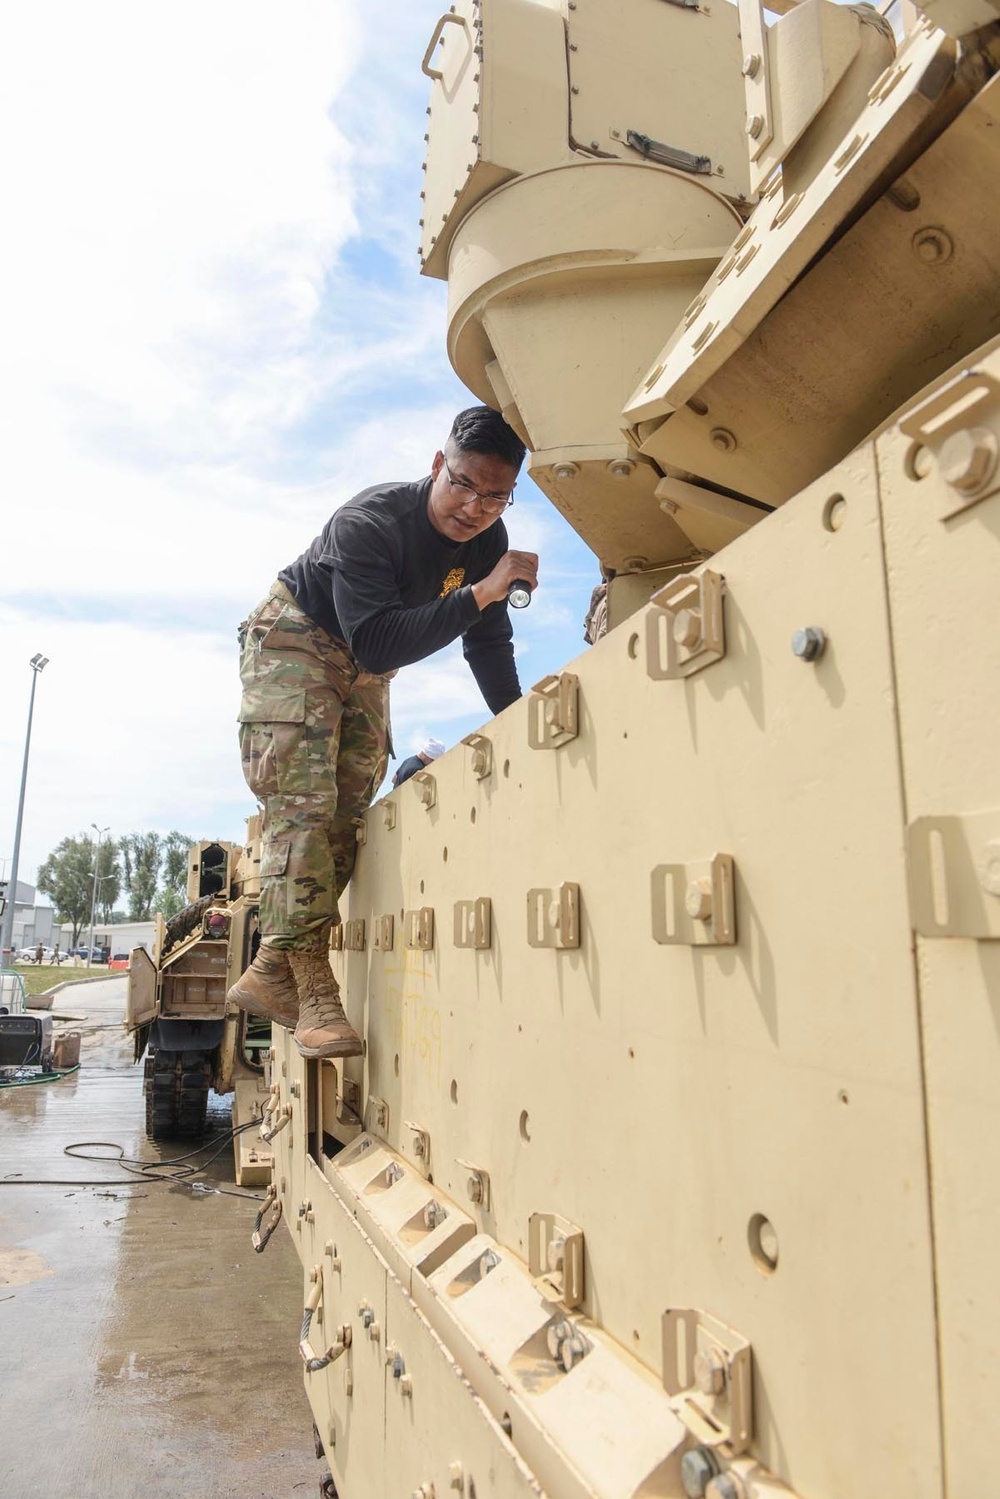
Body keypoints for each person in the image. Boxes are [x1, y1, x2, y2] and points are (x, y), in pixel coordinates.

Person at [230, 406, 537, 1060]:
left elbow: (486, 643)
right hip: (296, 639)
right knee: (304, 806)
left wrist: (518, 720)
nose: (475, 507)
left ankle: (269, 968)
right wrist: (481, 593)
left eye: (495, 494)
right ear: (436, 465)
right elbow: (373, 640)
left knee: (348, 810)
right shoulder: (369, 523)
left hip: (366, 662)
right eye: (463, 483)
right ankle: (313, 991)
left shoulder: (487, 537)